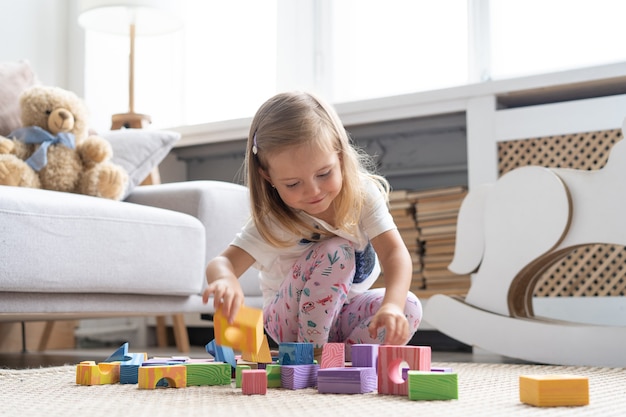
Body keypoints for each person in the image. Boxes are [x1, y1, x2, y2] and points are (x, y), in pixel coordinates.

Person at [202, 91, 422, 357]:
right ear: (268, 177)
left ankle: (336, 358)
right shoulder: (276, 220)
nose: (313, 191)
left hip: (343, 313)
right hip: (288, 320)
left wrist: (392, 307)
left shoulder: (362, 195)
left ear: (340, 156)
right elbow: (221, 263)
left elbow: (393, 252)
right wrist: (226, 281)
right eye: (293, 184)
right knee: (337, 251)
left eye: (324, 173)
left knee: (408, 306)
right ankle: (311, 355)